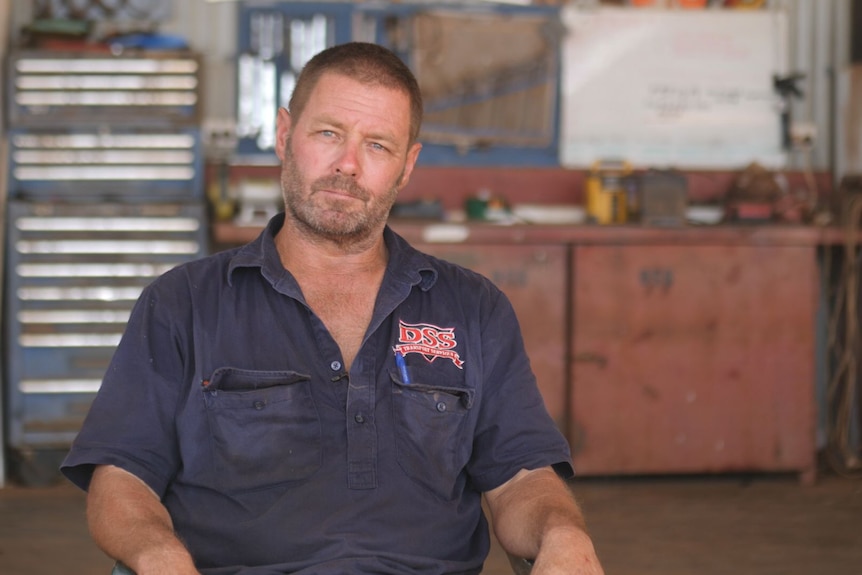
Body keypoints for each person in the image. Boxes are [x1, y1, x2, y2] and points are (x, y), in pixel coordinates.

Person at [61, 41, 604, 575]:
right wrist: (159, 555)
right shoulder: (183, 303)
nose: (347, 165)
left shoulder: (473, 308)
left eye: (377, 146)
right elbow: (122, 476)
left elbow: (520, 477)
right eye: (328, 133)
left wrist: (563, 533)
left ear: (407, 165)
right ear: (283, 135)